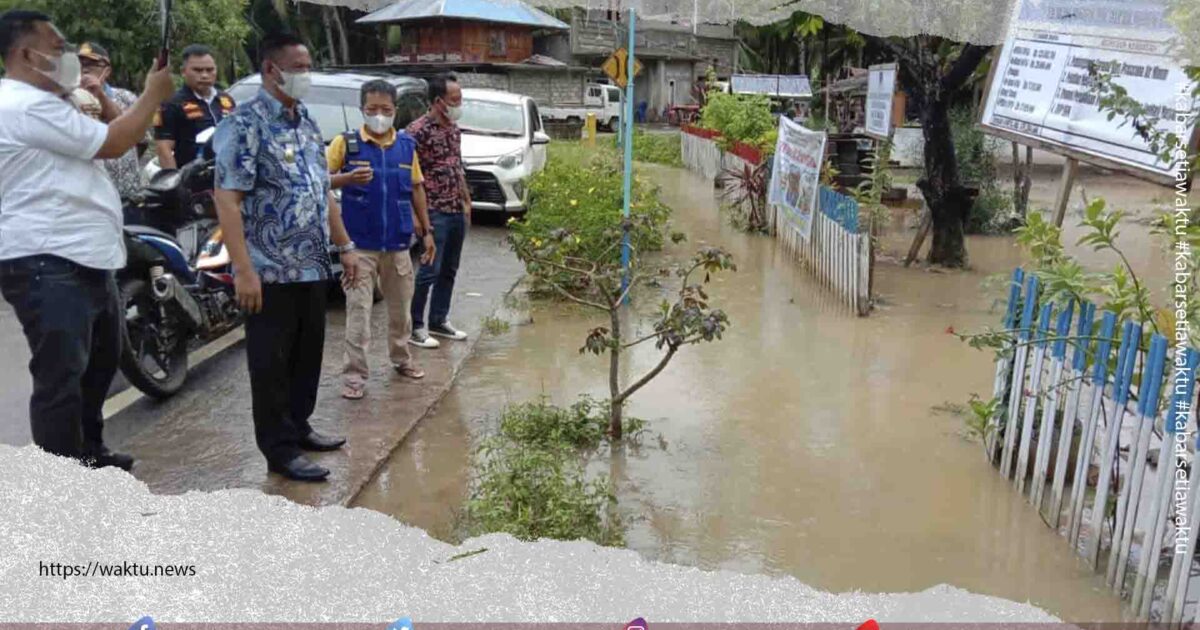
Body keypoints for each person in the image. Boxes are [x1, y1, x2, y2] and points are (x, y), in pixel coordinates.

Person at [0, 9, 175, 470]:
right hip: (47, 260)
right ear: (24, 54)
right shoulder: (21, 103)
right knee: (62, 376)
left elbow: (121, 142)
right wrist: (154, 93)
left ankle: (90, 453)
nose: (68, 57)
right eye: (57, 49)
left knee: (99, 364)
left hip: (87, 256)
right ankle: (64, 482)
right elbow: (115, 142)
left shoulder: (51, 102)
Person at [213, 32, 357, 483]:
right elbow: (227, 199)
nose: (305, 74)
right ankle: (279, 450)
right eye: (298, 66)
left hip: (312, 263)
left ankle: (299, 425)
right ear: (271, 70)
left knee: (306, 353)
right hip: (268, 270)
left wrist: (345, 246)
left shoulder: (306, 121)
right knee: (270, 362)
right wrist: (244, 269)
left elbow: (320, 191)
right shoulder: (244, 124)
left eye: (307, 65)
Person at [326, 80, 437, 400]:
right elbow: (317, 180)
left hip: (398, 243)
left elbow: (416, 188)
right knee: (358, 312)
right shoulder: (345, 144)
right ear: (362, 109)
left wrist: (427, 232)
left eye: (386, 110)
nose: (379, 116)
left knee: (401, 311)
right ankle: (355, 376)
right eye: (372, 109)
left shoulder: (406, 146)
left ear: (395, 111)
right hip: (358, 245)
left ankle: (401, 359)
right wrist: (345, 179)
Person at [406, 73, 473, 349]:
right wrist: (417, 218)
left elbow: (456, 166)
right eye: (454, 99)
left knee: (449, 269)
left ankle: (438, 319)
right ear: (438, 101)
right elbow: (407, 179)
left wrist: (467, 200)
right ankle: (416, 326)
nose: (459, 104)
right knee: (428, 270)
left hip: (456, 208)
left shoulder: (454, 129)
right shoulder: (415, 132)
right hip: (433, 210)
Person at [77, 41, 146, 200]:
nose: (84, 69)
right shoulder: (68, 98)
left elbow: (138, 138)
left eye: (92, 64)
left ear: (106, 70)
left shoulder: (125, 97)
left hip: (128, 193)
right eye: (80, 64)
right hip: (90, 195)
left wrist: (99, 95)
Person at [155, 44, 235, 170]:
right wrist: (174, 183)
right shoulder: (170, 103)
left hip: (228, 176)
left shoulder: (227, 100)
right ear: (183, 72)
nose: (204, 75)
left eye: (210, 70)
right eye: (197, 70)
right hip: (192, 179)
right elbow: (163, 149)